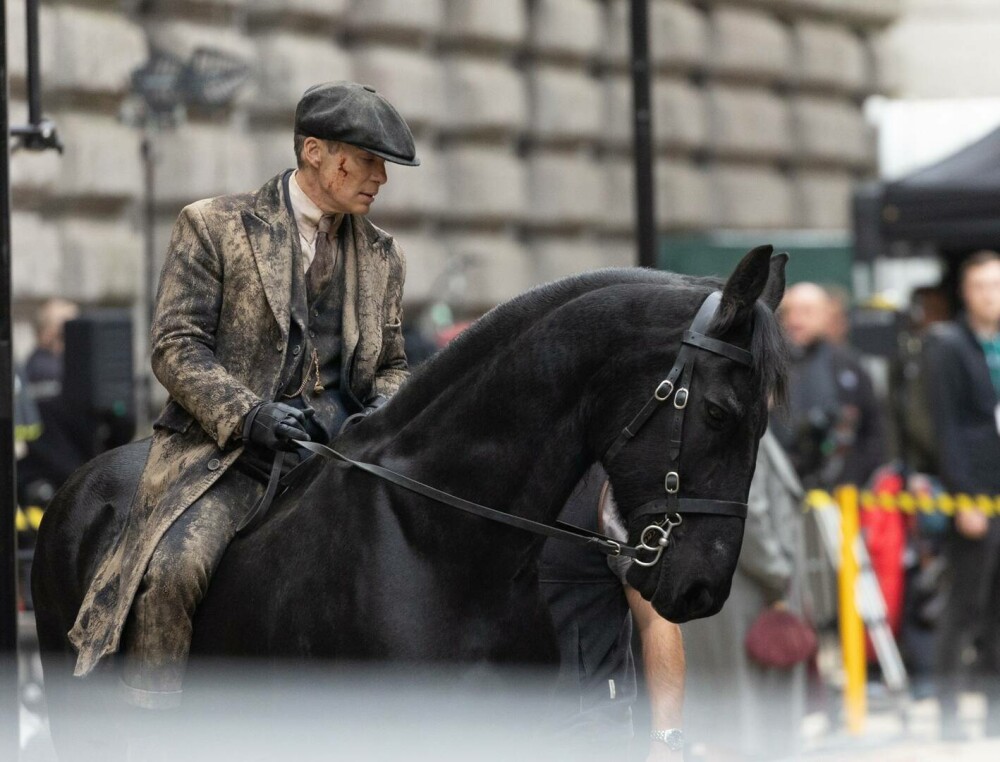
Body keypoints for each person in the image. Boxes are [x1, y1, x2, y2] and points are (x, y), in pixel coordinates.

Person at [67, 81, 419, 708]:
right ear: (315, 152)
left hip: (345, 452)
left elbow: (392, 364)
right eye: (367, 160)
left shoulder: (384, 255)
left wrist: (384, 416)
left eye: (382, 165)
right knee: (173, 570)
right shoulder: (213, 225)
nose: (380, 178)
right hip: (230, 454)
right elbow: (175, 345)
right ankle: (154, 723)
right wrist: (248, 415)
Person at [540, 464, 684, 761]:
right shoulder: (479, 476)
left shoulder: (609, 491)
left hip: (589, 732)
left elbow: (657, 620)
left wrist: (667, 742)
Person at [680, 429, 808, 760]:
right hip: (747, 594)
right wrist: (779, 574)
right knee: (740, 723)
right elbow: (751, 517)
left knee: (730, 721)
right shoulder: (739, 433)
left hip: (733, 591)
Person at [922, 250, 1000, 739]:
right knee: (964, 606)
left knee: (998, 611)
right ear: (965, 293)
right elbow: (944, 427)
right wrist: (964, 496)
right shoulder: (948, 345)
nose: (991, 295)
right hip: (973, 493)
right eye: (982, 286)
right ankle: (949, 716)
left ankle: (994, 714)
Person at [771, 282, 886, 490]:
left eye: (807, 311)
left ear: (826, 314)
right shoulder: (768, 366)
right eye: (789, 311)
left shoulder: (849, 366)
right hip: (778, 487)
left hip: (839, 491)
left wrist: (852, 479)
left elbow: (874, 430)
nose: (796, 320)